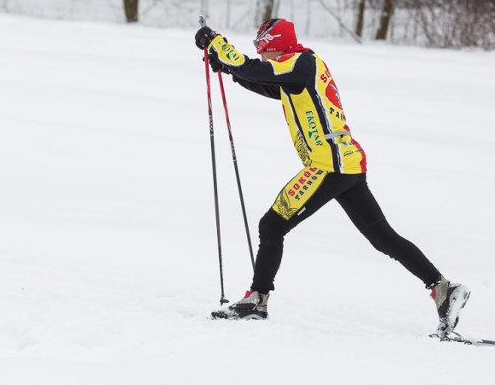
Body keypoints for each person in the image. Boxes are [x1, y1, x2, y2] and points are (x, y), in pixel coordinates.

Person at [194, 19, 469, 335]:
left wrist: (216, 43)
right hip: (347, 165)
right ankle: (443, 289)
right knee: (382, 238)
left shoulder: (298, 63)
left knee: (272, 225)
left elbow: (255, 69)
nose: (263, 57)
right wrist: (231, 71)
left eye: (264, 50)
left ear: (273, 46)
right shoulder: (303, 64)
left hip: (328, 166)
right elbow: (269, 84)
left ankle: (257, 299)